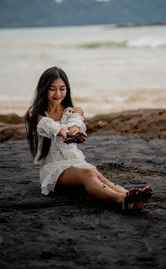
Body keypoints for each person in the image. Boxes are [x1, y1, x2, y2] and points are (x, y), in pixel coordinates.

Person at [25, 66, 152, 213]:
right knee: (88, 173)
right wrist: (64, 134)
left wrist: (75, 134)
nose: (58, 94)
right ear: (43, 89)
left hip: (75, 163)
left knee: (99, 176)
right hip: (53, 170)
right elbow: (52, 127)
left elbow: (74, 126)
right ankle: (121, 200)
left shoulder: (74, 110)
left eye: (62, 88)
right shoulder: (34, 113)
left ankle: (130, 198)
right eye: (52, 89)